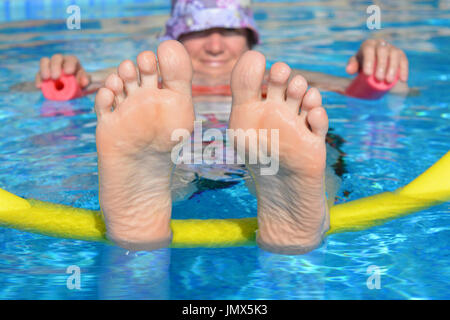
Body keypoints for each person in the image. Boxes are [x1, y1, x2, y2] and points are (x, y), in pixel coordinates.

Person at [34, 0, 410, 254]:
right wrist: (63, 79)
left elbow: (377, 93)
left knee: (305, 149)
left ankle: (143, 234)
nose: (215, 46)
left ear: (249, 38)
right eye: (199, 30)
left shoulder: (284, 80)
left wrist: (381, 68)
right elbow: (36, 90)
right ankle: (146, 195)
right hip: (184, 147)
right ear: (175, 38)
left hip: (255, 144)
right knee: (171, 159)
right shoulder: (146, 85)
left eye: (228, 31)